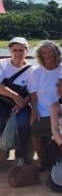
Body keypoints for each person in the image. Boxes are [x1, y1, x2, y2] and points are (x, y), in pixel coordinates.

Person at [0, 37, 35, 166]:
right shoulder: (2, 64)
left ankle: (20, 156)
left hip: (22, 105)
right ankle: (3, 153)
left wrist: (21, 104)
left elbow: (32, 93)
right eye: (15, 50)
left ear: (27, 52)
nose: (18, 53)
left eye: (21, 50)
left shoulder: (32, 70)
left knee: (23, 124)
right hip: (3, 103)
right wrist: (15, 97)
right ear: (10, 51)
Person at [28, 40, 62, 167]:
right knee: (35, 127)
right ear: (40, 55)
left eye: (50, 52)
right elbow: (33, 94)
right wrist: (34, 110)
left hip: (59, 110)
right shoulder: (35, 73)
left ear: (55, 53)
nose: (47, 55)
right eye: (44, 52)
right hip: (41, 110)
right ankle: (41, 159)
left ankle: (58, 159)